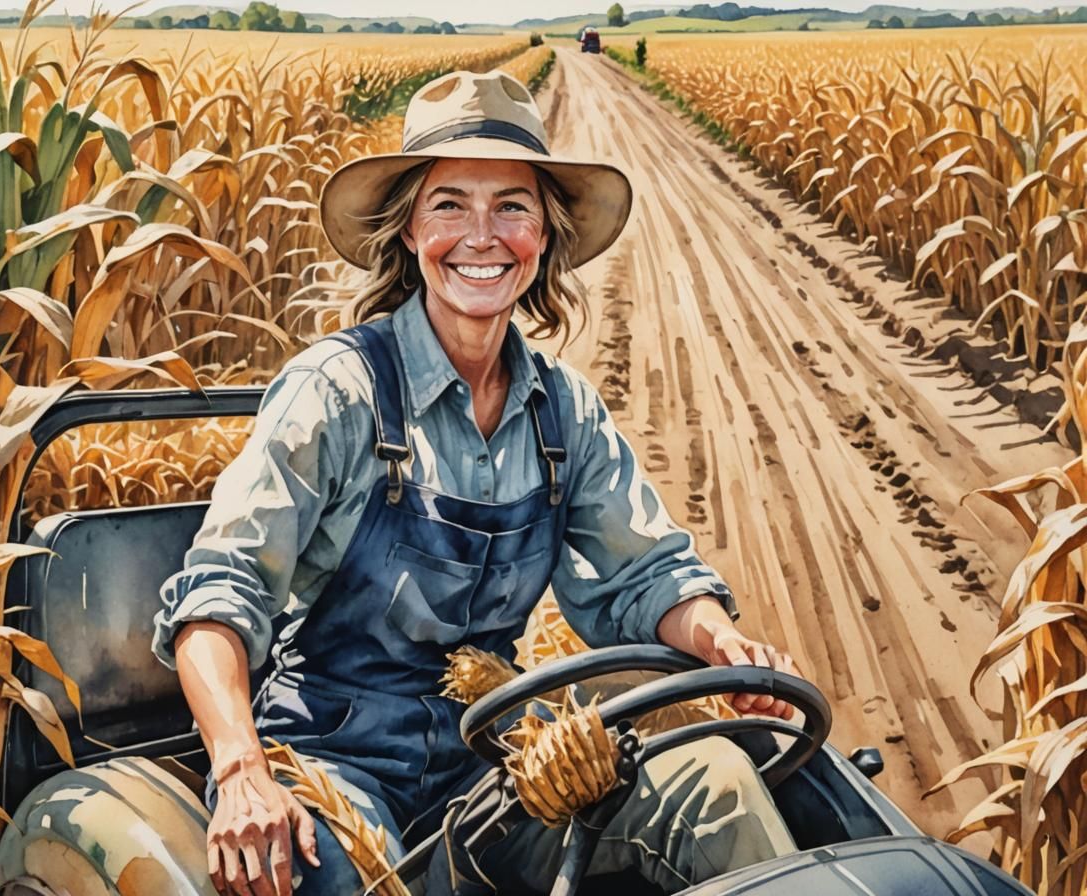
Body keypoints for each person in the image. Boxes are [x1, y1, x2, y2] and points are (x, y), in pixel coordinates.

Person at [153, 69, 800, 896]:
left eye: (513, 208)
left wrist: (722, 642)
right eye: (450, 204)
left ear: (545, 236)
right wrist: (242, 771)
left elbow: (650, 573)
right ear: (409, 231)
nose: (482, 236)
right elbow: (219, 591)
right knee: (321, 877)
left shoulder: (562, 412)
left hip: (490, 766)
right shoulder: (339, 393)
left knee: (711, 780)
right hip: (335, 765)